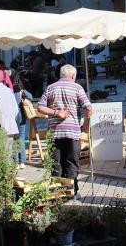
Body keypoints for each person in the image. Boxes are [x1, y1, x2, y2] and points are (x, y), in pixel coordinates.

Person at [37, 64, 92, 195]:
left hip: (55, 132)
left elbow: (40, 107)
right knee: (72, 163)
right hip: (73, 132)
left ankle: (57, 194)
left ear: (61, 75)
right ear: (73, 76)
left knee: (56, 164)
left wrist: (56, 112)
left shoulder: (50, 88)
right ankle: (72, 193)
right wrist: (86, 125)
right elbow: (89, 108)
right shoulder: (77, 87)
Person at [14, 87, 33, 170]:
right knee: (21, 138)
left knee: (14, 139)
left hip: (13, 117)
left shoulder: (9, 90)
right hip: (22, 117)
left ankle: (16, 161)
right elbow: (31, 97)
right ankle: (22, 161)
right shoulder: (20, 90)